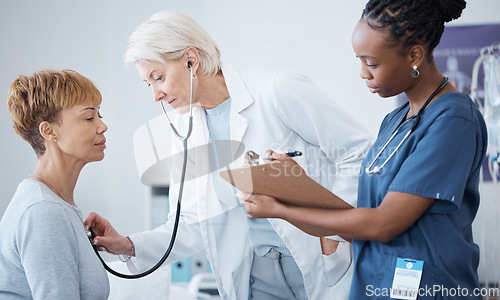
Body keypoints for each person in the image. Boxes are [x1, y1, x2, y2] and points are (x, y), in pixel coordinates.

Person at [85, 10, 372, 300]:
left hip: (320, 264)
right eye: (149, 83)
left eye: (158, 77)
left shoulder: (277, 91)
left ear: (191, 60)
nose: (155, 95)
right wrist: (128, 245)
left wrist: (332, 236)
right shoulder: (186, 130)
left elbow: (360, 153)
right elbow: (188, 224)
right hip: (255, 278)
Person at [240, 0, 487, 299]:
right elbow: (357, 222)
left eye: (371, 63)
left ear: (415, 55)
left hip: (429, 288)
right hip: (374, 286)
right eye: (359, 61)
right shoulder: (394, 121)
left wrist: (280, 210)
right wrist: (296, 187)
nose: (362, 74)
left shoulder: (453, 120)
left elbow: (383, 224)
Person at [0, 69, 110, 299]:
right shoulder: (43, 211)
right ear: (49, 131)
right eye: (90, 117)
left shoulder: (56, 204)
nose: (102, 126)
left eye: (100, 115)